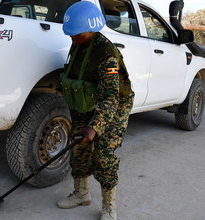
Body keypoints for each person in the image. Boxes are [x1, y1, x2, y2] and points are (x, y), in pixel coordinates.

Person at [57, 2, 134, 220]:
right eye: (70, 34)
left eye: (75, 34)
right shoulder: (79, 43)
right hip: (88, 100)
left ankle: (110, 206)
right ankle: (81, 194)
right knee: (79, 147)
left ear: (91, 29)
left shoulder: (106, 53)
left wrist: (95, 127)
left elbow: (110, 98)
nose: (71, 38)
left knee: (103, 155)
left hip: (114, 105)